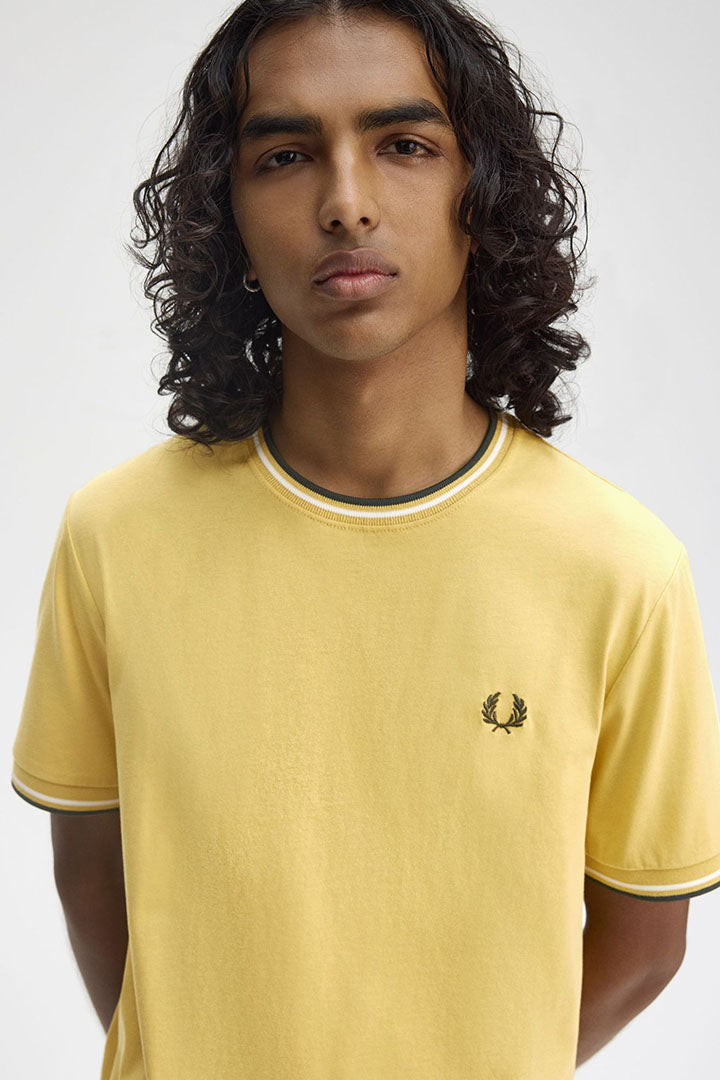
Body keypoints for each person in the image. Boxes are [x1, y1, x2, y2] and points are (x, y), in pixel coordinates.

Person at [10, 1, 720, 1078]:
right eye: (286, 156)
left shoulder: (618, 566)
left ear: (481, 194)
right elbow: (92, 876)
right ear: (230, 219)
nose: (347, 202)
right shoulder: (115, 535)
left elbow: (646, 941)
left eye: (404, 145)